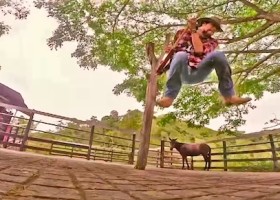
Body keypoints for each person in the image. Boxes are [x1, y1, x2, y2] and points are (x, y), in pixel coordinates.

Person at [156, 16, 252, 108]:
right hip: (181, 72)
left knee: (218, 55)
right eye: (213, 26)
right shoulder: (182, 33)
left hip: (197, 73)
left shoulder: (212, 42)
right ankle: (169, 97)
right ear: (204, 23)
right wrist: (163, 64)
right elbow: (174, 53)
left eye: (216, 29)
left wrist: (194, 31)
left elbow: (199, 51)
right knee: (181, 54)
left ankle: (229, 96)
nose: (214, 30)